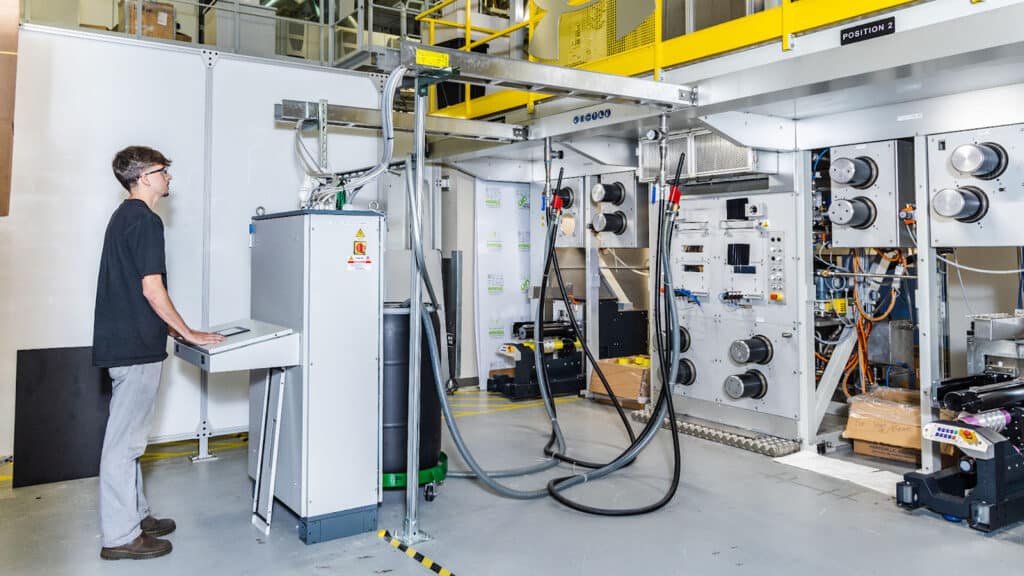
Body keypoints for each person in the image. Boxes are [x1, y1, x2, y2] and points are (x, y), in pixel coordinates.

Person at [93, 146, 224, 560]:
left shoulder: (123, 217)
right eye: (164, 171)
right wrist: (187, 332)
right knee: (123, 445)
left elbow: (139, 288)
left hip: (128, 342)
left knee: (130, 439)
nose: (169, 177)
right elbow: (152, 289)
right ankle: (120, 537)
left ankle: (136, 516)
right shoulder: (146, 221)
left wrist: (176, 331)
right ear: (145, 177)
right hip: (134, 347)